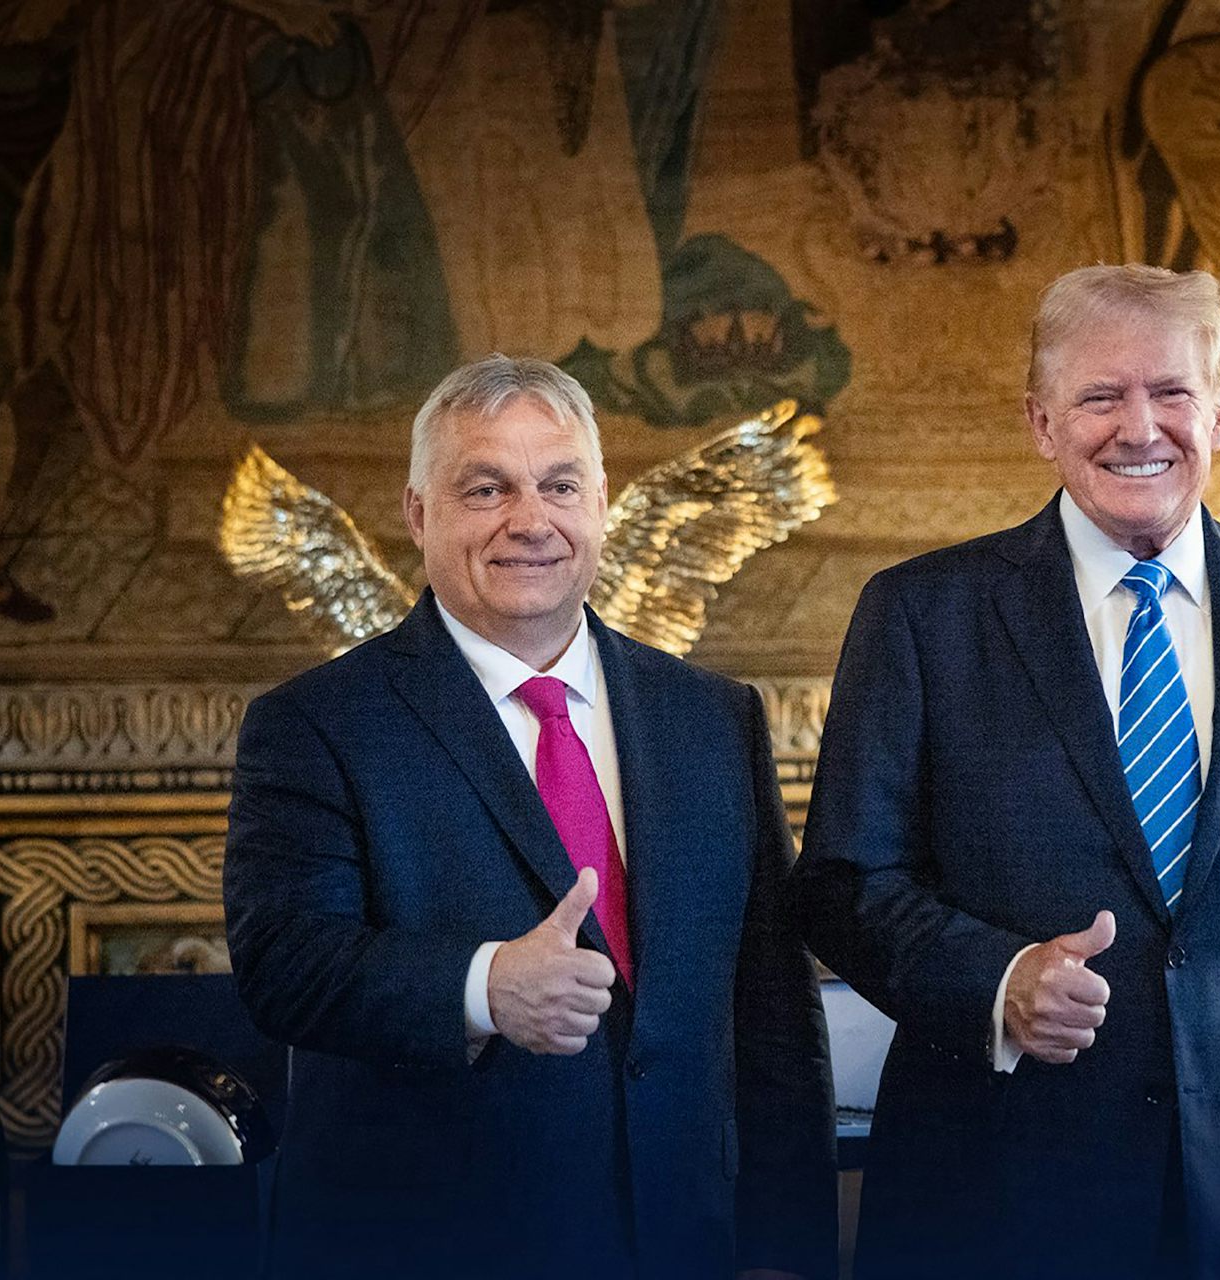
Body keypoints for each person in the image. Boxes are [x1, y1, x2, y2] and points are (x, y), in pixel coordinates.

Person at [789, 264, 1220, 1278]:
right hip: (996, 1199)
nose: (1141, 428)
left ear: (1219, 414)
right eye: (1100, 396)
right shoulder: (921, 615)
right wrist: (998, 980)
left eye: (1172, 391)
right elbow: (842, 883)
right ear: (1041, 422)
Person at [223, 355, 837, 1279]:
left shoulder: (712, 717)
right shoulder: (317, 723)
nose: (530, 520)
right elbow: (285, 967)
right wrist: (483, 987)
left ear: (602, 506)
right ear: (419, 514)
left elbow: (773, 1009)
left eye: (560, 485)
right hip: (433, 1248)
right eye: (486, 489)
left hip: (685, 1243)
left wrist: (785, 1253)